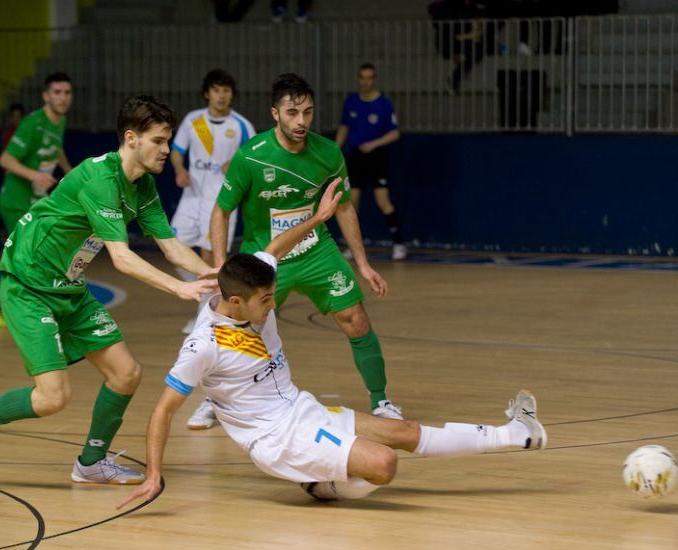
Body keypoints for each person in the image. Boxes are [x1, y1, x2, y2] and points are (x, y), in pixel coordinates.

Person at [116, 179, 547, 508]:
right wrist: (154, 474)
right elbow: (162, 410)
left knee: (404, 431)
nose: (273, 304)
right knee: (384, 464)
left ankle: (517, 433)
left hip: (302, 408)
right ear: (234, 302)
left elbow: (274, 247)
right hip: (276, 439)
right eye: (265, 300)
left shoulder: (251, 277)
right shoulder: (203, 345)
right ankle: (320, 480)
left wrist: (320, 219)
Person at [0, 95, 218, 485]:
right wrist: (179, 288)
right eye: (158, 140)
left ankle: (91, 462)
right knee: (53, 397)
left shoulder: (142, 188)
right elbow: (121, 258)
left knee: (126, 374)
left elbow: (171, 246)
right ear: (131, 139)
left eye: (167, 140)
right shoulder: (101, 180)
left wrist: (215, 275)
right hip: (29, 285)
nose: (166, 149)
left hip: (68, 286)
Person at [195, 72, 403, 432]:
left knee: (355, 318)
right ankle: (213, 400)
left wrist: (364, 264)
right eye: (292, 113)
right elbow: (221, 211)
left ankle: (381, 400)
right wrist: (220, 267)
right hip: (266, 258)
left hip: (316, 251)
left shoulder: (328, 153)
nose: (301, 121)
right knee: (239, 333)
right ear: (275, 113)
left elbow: (343, 208)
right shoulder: (251, 157)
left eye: (307, 112)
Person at [0, 73, 74, 328]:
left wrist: (70, 173)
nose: (62, 98)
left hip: (35, 202)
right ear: (45, 96)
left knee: (37, 255)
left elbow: (57, 148)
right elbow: (5, 160)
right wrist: (36, 175)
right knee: (26, 258)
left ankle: (25, 305)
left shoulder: (60, 120)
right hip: (16, 202)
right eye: (57, 92)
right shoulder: (33, 123)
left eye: (67, 92)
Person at [170, 69, 255, 337]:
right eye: (217, 90)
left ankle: (204, 318)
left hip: (220, 202)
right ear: (208, 93)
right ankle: (208, 295)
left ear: (231, 94)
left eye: (226, 90)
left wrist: (239, 163)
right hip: (191, 197)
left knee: (210, 258)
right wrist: (179, 171)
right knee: (173, 247)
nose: (221, 95)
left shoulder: (242, 125)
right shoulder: (193, 120)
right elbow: (176, 152)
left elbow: (254, 158)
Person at [335, 63, 405, 261]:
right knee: (351, 202)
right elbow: (344, 127)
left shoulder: (383, 104)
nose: (366, 82)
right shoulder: (351, 102)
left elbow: (394, 133)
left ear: (375, 79)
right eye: (362, 77)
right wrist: (335, 150)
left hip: (376, 157)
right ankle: (352, 246)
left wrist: (374, 144)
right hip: (356, 157)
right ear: (358, 79)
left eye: (369, 78)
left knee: (383, 201)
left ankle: (399, 243)